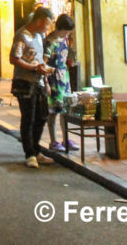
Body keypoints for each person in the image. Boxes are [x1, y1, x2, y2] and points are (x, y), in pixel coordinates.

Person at [10, 6, 56, 168]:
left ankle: (36, 150)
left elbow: (40, 59)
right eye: (46, 24)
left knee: (42, 116)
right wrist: (34, 68)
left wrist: (45, 78)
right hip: (24, 82)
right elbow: (15, 59)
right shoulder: (23, 35)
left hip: (39, 82)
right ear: (38, 21)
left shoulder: (40, 36)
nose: (47, 28)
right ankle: (29, 153)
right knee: (29, 117)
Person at [45, 13, 78, 152]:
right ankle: (53, 141)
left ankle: (65, 139)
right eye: (68, 30)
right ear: (62, 28)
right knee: (53, 111)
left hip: (64, 79)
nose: (69, 33)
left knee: (65, 111)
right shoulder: (50, 41)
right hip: (53, 79)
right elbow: (43, 63)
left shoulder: (64, 40)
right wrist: (46, 81)